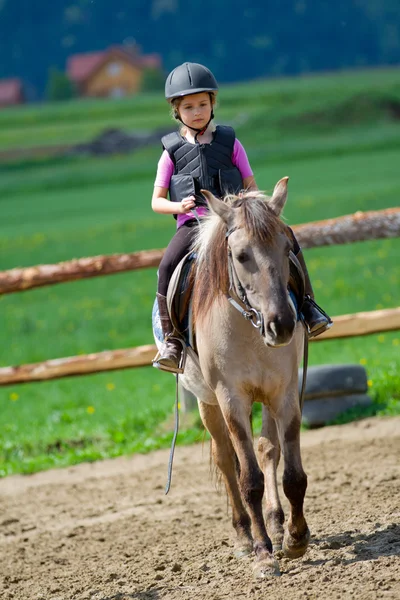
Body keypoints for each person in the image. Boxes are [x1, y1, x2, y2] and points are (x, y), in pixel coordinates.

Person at [152, 62, 331, 374]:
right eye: (189, 107)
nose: (197, 112)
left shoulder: (231, 143)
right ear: (176, 111)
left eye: (203, 105)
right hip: (194, 225)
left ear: (212, 105)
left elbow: (250, 186)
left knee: (286, 237)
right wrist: (178, 208)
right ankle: (172, 339)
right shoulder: (170, 153)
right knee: (168, 266)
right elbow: (156, 201)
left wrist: (253, 210)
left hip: (236, 223)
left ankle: (308, 306)